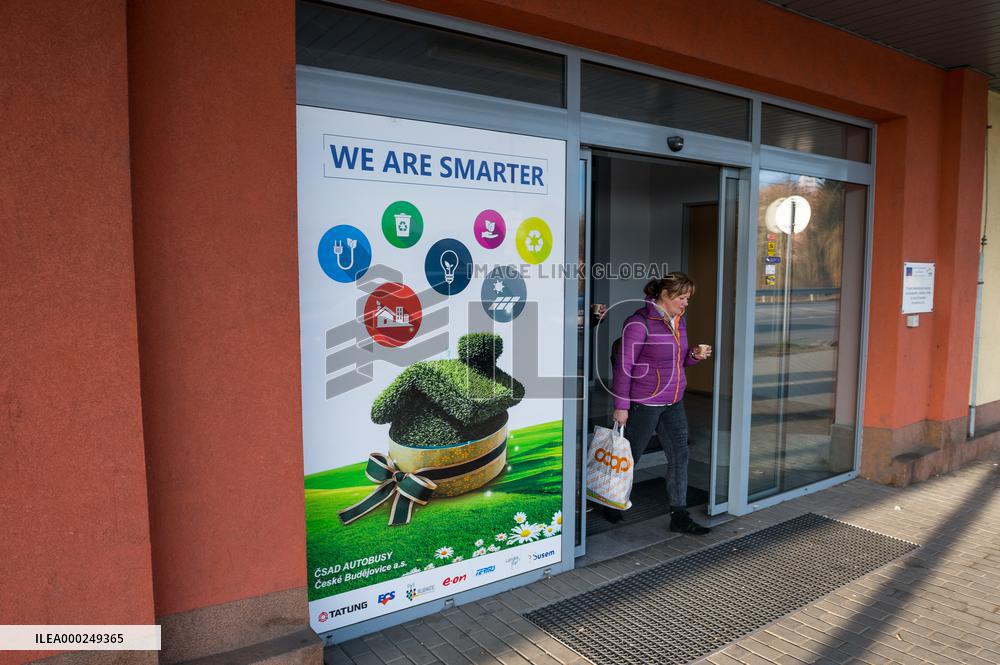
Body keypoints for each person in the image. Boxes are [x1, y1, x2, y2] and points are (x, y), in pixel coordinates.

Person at [608, 272, 713, 534]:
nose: (686, 303)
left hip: (673, 401)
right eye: (682, 297)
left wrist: (694, 355)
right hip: (646, 402)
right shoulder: (638, 323)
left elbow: (678, 361)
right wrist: (622, 406)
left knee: (680, 456)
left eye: (688, 298)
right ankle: (607, 502)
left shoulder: (678, 321)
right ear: (665, 295)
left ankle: (679, 515)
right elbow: (624, 367)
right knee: (630, 457)